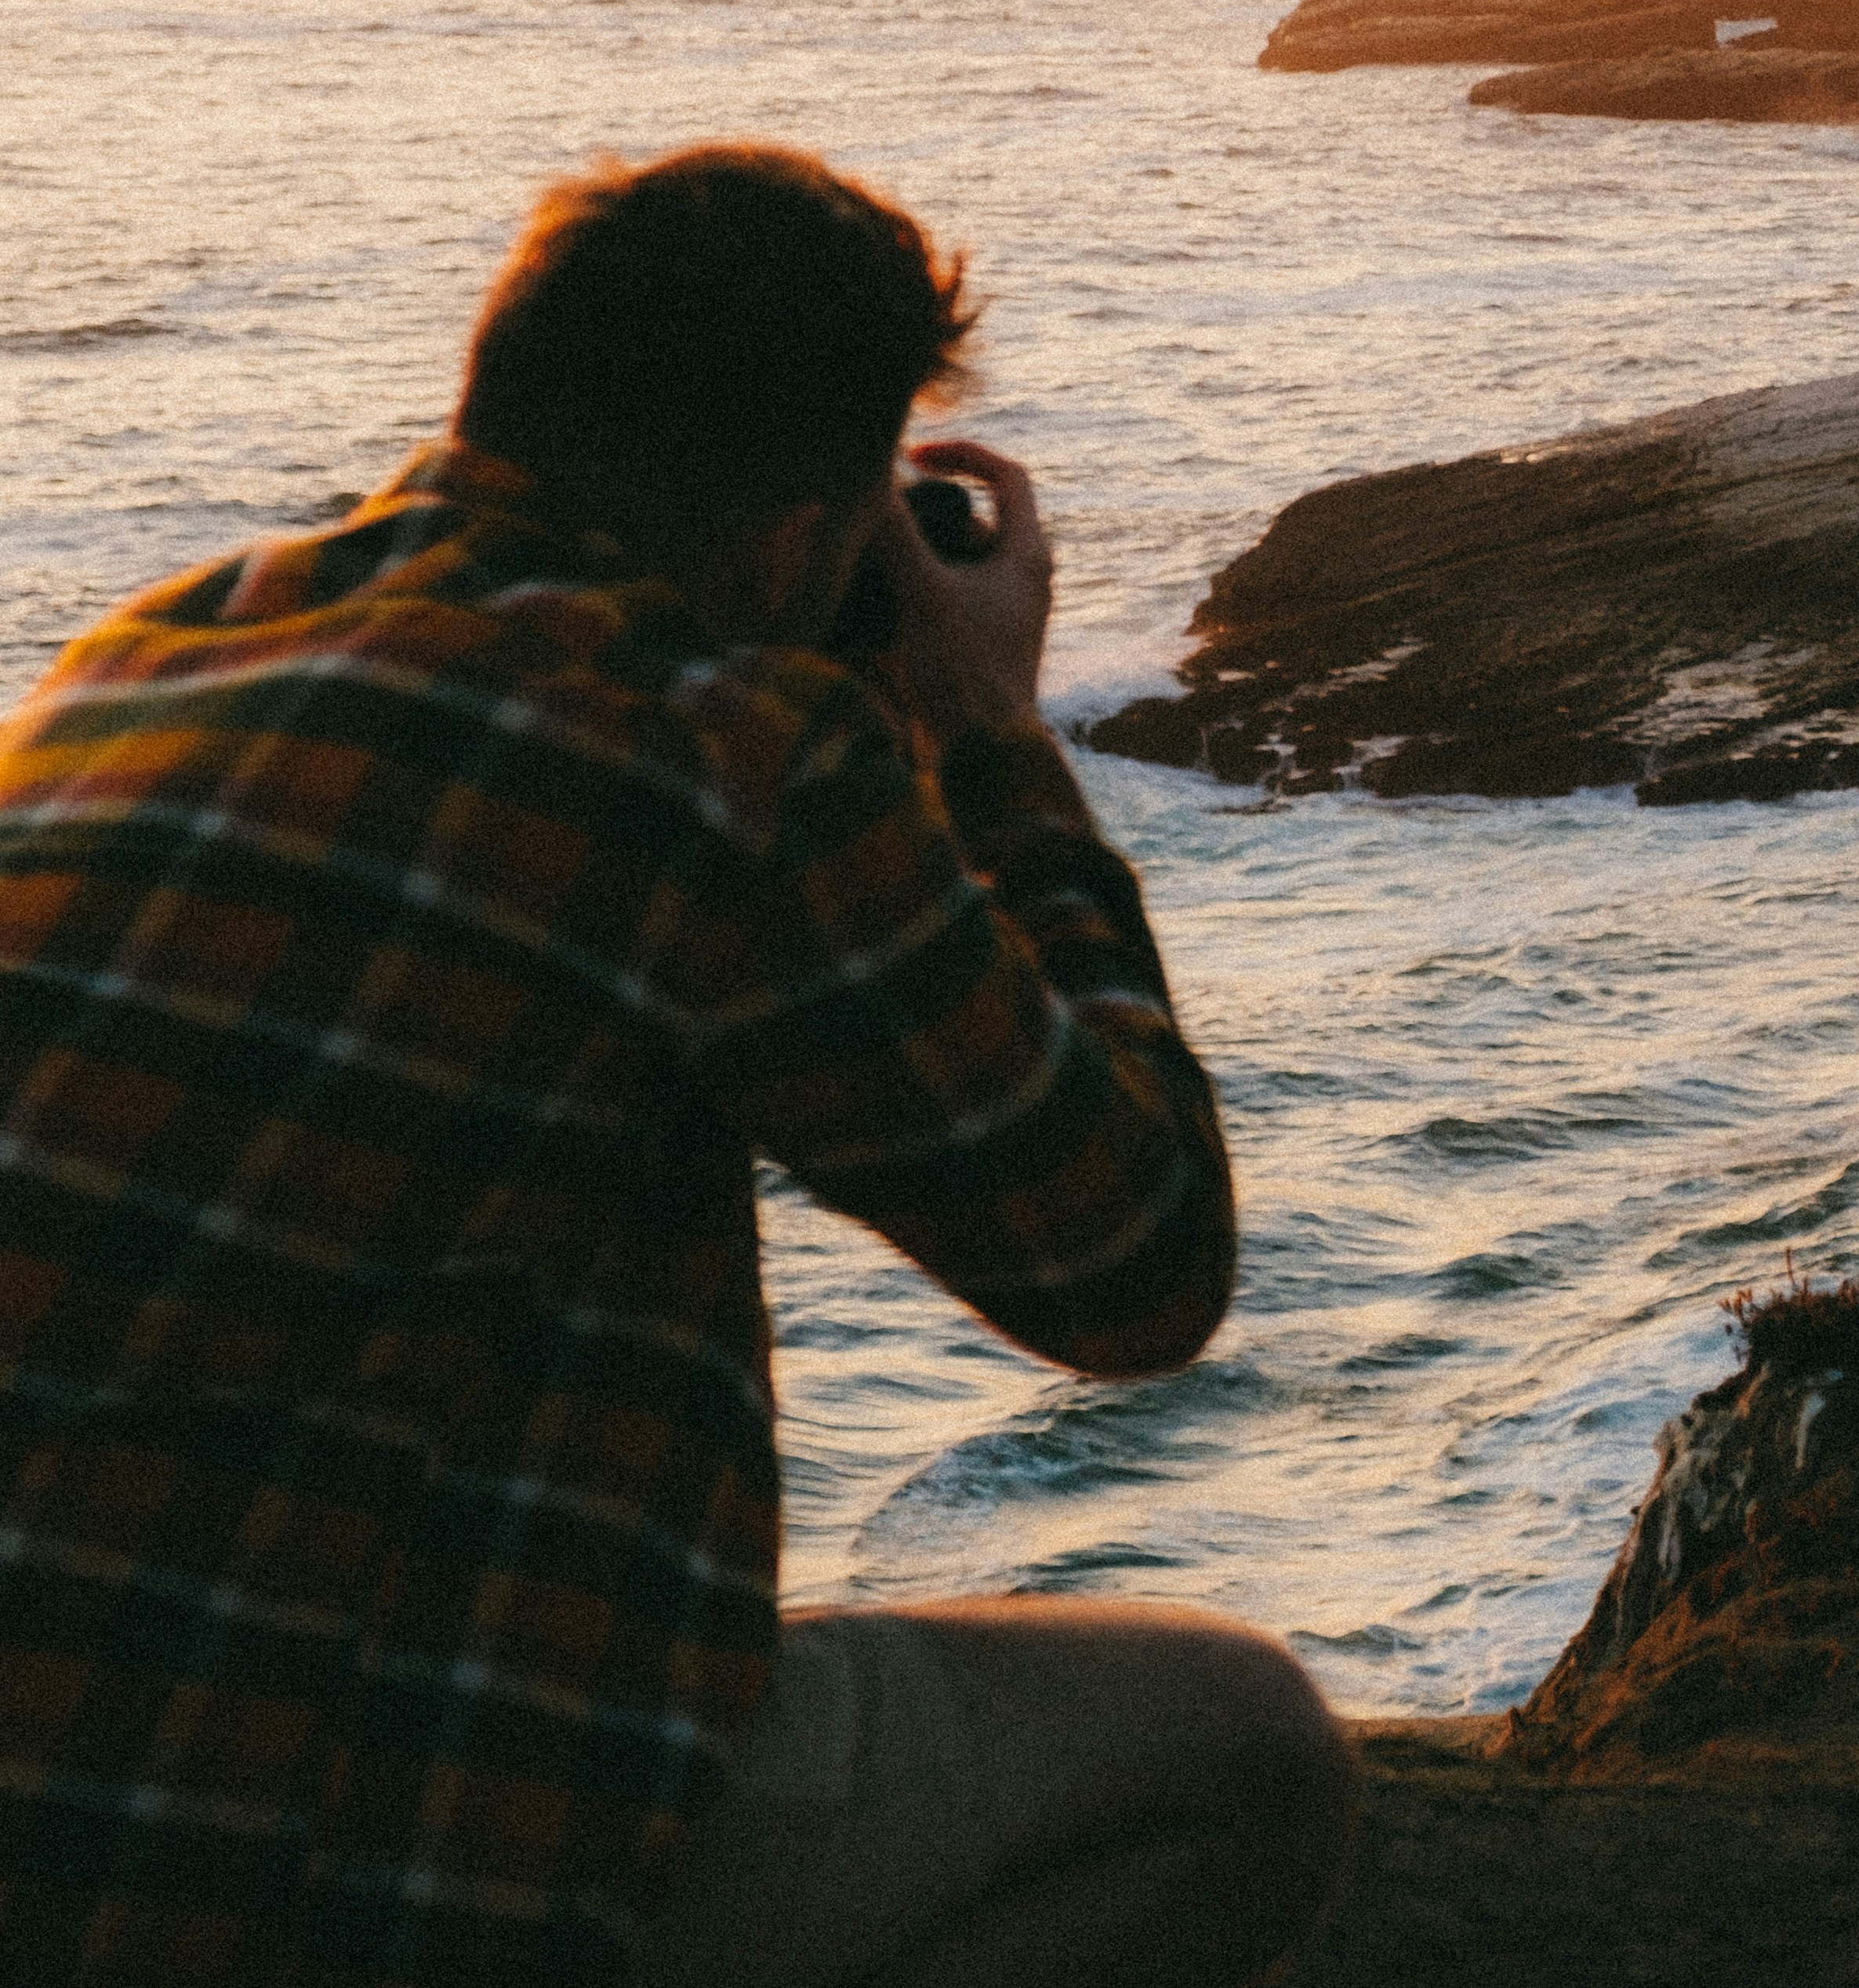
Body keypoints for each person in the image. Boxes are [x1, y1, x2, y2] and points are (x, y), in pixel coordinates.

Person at [0, 145, 1357, 1986]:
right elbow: (1138, 1262)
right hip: (305, 1870)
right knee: (1241, 1754)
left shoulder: (130, 667)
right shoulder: (722, 747)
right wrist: (988, 733)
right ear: (804, 542)